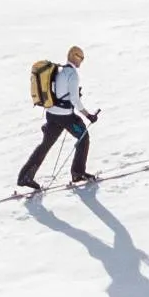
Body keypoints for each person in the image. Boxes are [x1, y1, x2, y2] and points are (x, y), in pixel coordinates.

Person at [20, 44, 97, 189]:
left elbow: (57, 92)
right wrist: (89, 116)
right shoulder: (73, 75)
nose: (82, 61)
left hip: (52, 115)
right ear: (75, 57)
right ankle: (78, 173)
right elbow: (74, 100)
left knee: (45, 145)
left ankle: (25, 176)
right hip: (65, 117)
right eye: (81, 58)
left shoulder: (59, 70)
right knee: (83, 137)